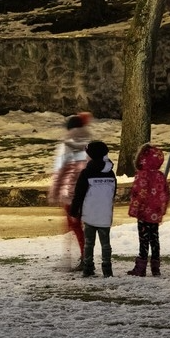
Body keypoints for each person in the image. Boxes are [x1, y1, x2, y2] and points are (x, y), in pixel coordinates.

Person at [48, 112, 92, 265]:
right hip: (87, 192)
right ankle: (82, 255)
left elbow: (61, 171)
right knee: (81, 226)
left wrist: (54, 192)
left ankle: (77, 257)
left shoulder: (67, 145)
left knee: (73, 225)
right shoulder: (89, 145)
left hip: (71, 193)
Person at [68, 140, 117, 278]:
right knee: (106, 244)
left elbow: (79, 194)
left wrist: (73, 211)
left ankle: (88, 268)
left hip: (90, 214)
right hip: (105, 215)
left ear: (92, 156)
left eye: (87, 154)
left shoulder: (86, 173)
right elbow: (113, 193)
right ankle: (107, 269)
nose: (86, 157)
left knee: (89, 243)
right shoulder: (110, 174)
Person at [125, 143, 170, 277]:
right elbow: (166, 194)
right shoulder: (160, 176)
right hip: (155, 213)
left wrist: (134, 209)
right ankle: (155, 267)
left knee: (143, 239)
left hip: (144, 213)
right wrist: (161, 209)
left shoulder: (141, 175)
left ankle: (141, 267)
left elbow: (137, 194)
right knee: (155, 239)